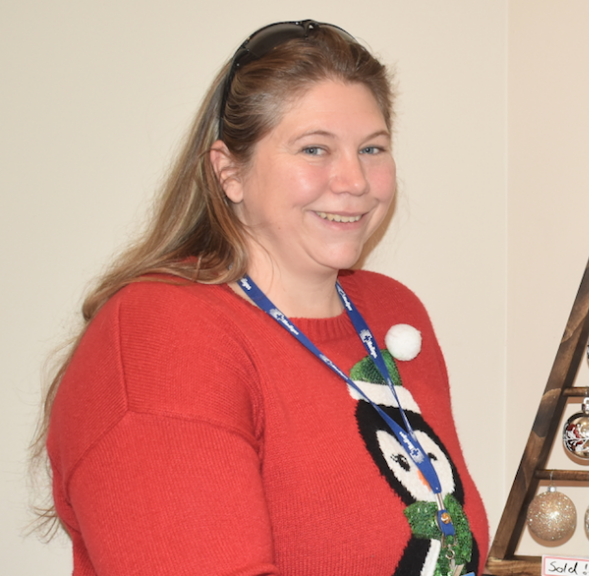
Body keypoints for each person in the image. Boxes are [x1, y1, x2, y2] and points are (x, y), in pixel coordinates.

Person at [37, 20, 488, 576]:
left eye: (372, 148)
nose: (354, 179)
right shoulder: (160, 333)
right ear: (229, 172)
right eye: (315, 148)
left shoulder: (391, 312)